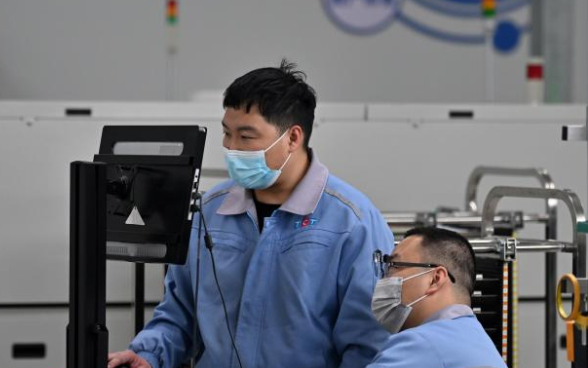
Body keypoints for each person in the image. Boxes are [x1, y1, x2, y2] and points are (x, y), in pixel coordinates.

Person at [108, 60, 394, 368]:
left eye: (245, 137)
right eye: (227, 133)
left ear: (292, 138)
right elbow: (180, 316)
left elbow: (368, 344)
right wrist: (149, 354)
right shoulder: (210, 212)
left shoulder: (353, 223)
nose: (231, 148)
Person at [368, 227, 507, 368]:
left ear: (435, 279)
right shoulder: (476, 340)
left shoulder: (422, 343)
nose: (385, 278)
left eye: (394, 266)